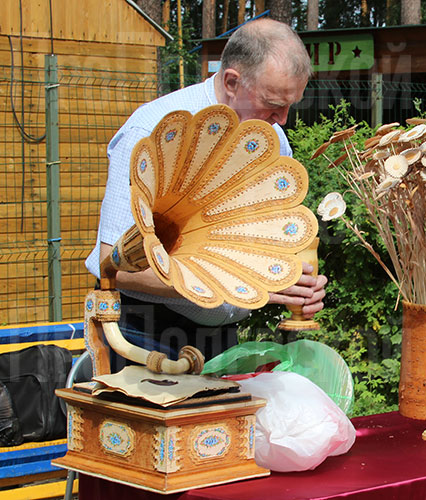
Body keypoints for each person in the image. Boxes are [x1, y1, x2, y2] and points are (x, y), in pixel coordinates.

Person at [84, 18, 327, 370]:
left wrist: (289, 281)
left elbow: (267, 246)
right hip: (141, 333)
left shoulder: (272, 138)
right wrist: (250, 288)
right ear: (232, 82)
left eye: (291, 105)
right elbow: (114, 266)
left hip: (220, 337)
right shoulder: (151, 128)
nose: (283, 120)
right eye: (273, 103)